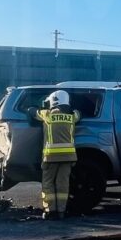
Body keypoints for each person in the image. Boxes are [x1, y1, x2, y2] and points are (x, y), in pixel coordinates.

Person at [32, 89, 81, 220]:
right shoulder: (72, 117)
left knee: (48, 184)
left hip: (50, 157)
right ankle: (61, 212)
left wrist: (32, 108)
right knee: (63, 184)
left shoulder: (47, 114)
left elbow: (34, 112)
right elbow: (78, 113)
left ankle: (50, 211)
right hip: (69, 157)